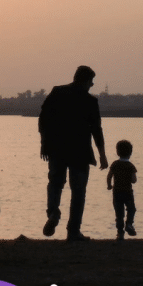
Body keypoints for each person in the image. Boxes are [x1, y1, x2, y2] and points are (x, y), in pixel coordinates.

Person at [39, 65, 108, 241]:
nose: (92, 85)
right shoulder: (90, 101)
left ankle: (53, 213)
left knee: (55, 184)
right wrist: (102, 155)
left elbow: (43, 119)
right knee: (78, 192)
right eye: (91, 82)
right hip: (80, 151)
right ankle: (73, 231)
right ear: (85, 81)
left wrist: (44, 144)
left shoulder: (57, 93)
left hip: (56, 148)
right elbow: (97, 130)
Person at [107, 140, 138, 241]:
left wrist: (109, 185)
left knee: (119, 213)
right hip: (128, 193)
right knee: (131, 209)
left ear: (117, 152)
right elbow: (134, 180)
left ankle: (120, 233)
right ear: (130, 153)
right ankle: (129, 224)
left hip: (117, 193)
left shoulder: (115, 164)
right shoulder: (130, 166)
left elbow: (109, 176)